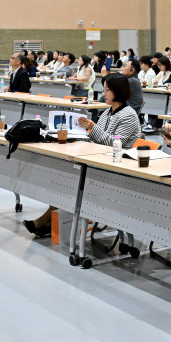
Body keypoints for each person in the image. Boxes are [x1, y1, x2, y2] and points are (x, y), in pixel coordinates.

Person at [24, 74, 141, 239]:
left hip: (114, 168)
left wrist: (92, 127)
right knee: (64, 179)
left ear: (118, 91)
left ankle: (45, 222)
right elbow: (95, 140)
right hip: (98, 161)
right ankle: (49, 221)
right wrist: (73, 137)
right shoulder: (108, 112)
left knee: (70, 182)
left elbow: (114, 143)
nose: (104, 94)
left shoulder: (128, 115)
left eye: (107, 90)